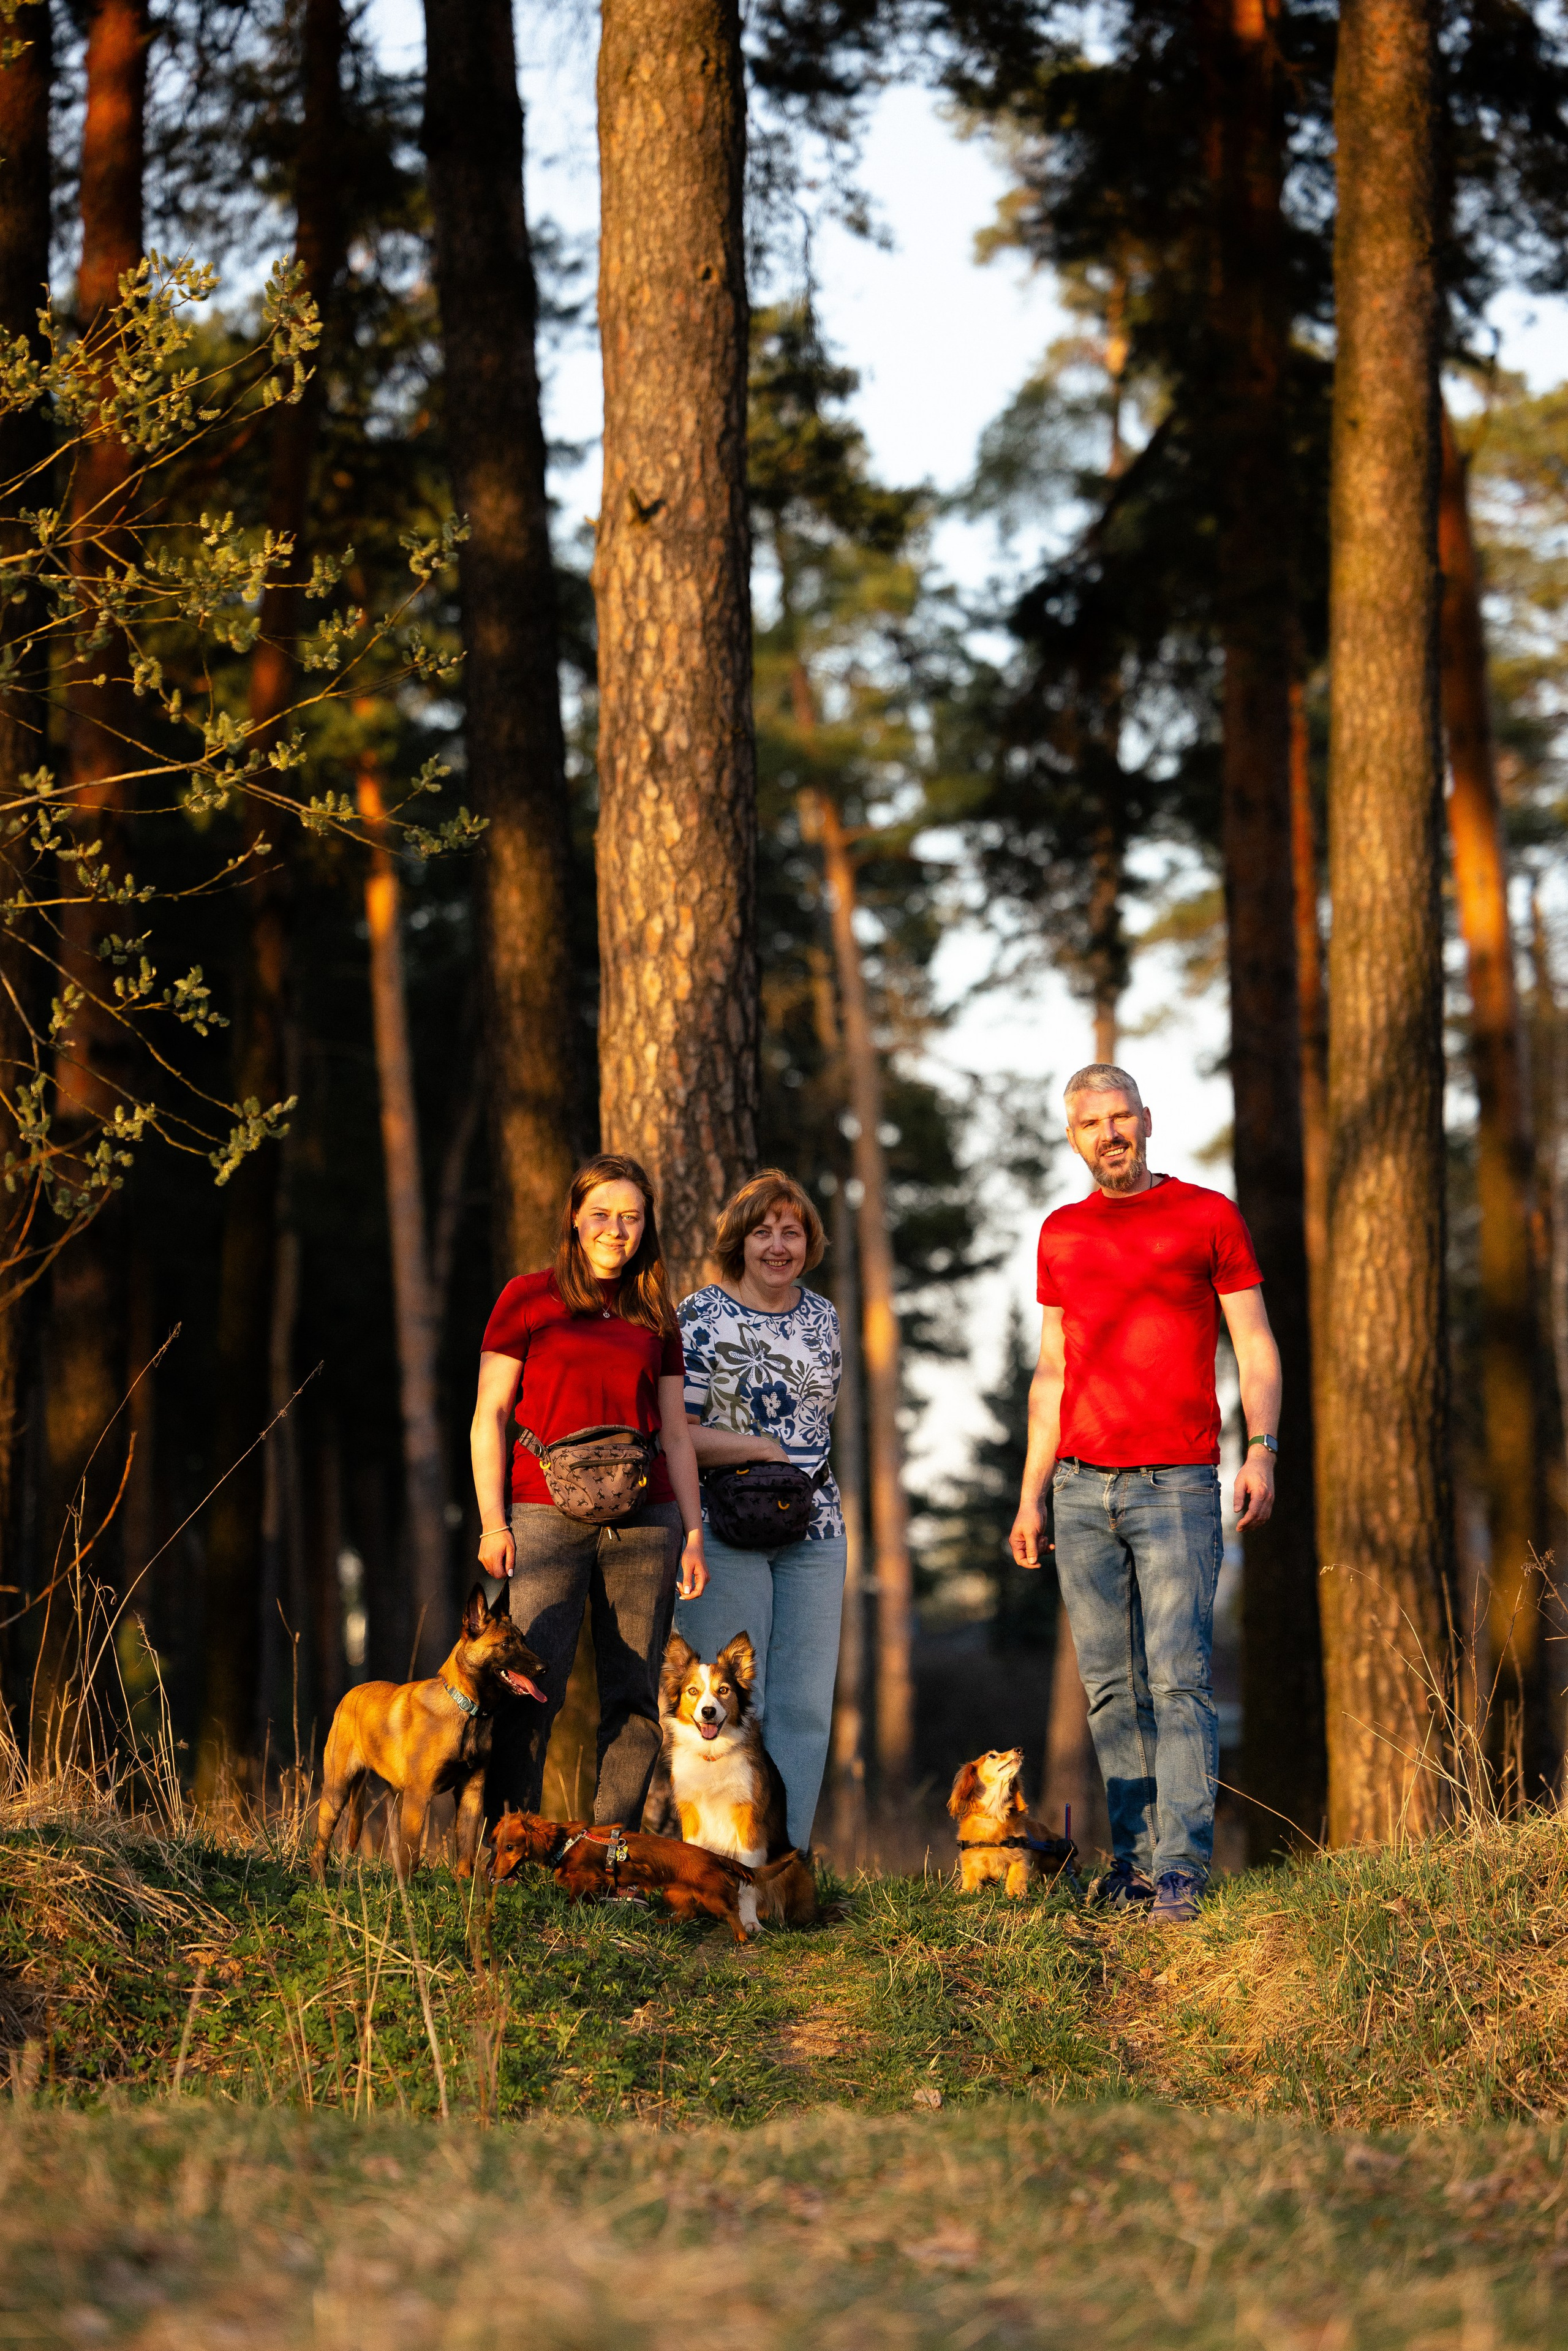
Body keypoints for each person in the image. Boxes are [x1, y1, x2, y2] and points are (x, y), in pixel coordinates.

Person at [1009, 1064, 1280, 1926]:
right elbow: (1052, 1371)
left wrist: (1262, 1449)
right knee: (1109, 1687)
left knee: (1179, 1679)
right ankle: (1131, 1862)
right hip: (1080, 1489)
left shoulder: (1208, 1216)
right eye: (1092, 1123)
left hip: (1177, 1485)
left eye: (1121, 1116)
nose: (1110, 1133)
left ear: (1147, 1120)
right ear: (1073, 1138)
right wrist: (1031, 1494)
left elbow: (1255, 1345)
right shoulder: (1060, 1233)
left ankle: (1181, 1870)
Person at [470, 1153, 707, 1827]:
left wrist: (694, 1534)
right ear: (574, 1218)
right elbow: (489, 1414)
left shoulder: (655, 1312)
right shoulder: (527, 1297)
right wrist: (493, 1522)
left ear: (646, 1226)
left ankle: (608, 1852)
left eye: (631, 1217)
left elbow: (676, 1432)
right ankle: (511, 1844)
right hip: (542, 1514)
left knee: (634, 1697)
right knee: (527, 1683)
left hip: (647, 1520)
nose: (615, 1230)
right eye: (601, 1214)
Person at [672, 1169, 846, 1851]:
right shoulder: (699, 1317)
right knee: (726, 1705)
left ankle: (783, 1865)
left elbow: (823, 1421)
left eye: (791, 1232)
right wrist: (760, 1447)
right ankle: (717, 1867)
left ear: (809, 1242)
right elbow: (676, 1434)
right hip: (724, 1528)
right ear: (738, 1241)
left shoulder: (824, 1318)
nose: (778, 1246)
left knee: (805, 1709)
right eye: (763, 1232)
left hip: (816, 1528)